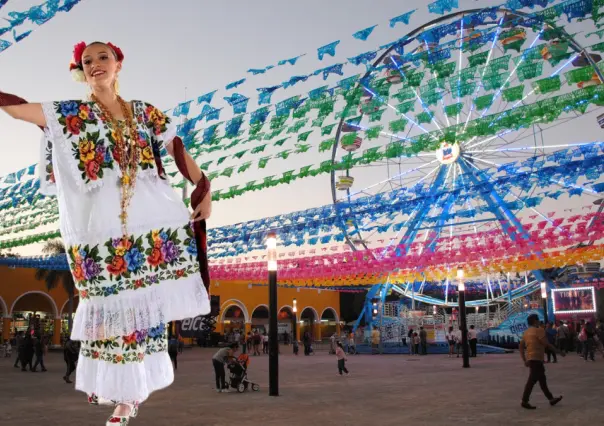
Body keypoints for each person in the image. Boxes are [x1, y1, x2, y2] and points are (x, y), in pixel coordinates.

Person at [1, 41, 212, 425]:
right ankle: (115, 384)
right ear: (81, 71)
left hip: (149, 222)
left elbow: (177, 149)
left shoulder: (144, 112)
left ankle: (128, 397)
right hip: (99, 230)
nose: (96, 64)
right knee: (106, 306)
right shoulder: (73, 115)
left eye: (103, 57)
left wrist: (203, 188)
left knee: (143, 308)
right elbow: (18, 110)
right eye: (87, 61)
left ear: (118, 64)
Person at [519, 314, 564, 409]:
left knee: (542, 380)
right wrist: (559, 351)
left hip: (531, 358)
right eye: (538, 320)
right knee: (531, 381)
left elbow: (521, 346)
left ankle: (551, 399)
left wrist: (524, 359)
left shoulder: (526, 332)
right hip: (537, 359)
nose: (539, 322)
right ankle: (524, 400)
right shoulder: (539, 330)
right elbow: (546, 344)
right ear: (535, 321)